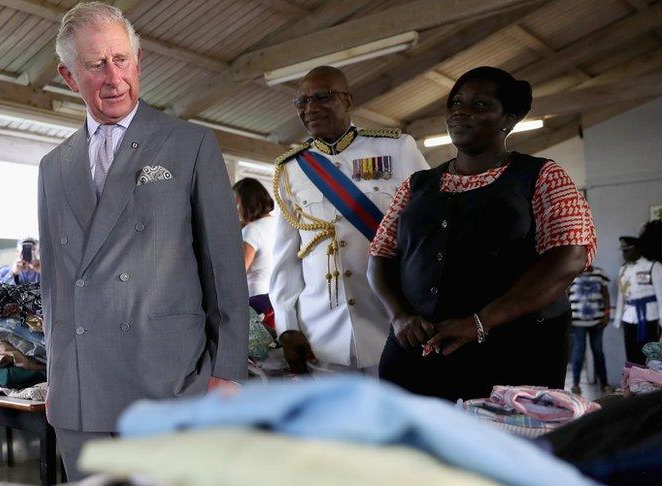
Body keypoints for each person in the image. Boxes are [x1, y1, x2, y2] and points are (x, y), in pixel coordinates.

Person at [38, 2, 248, 481]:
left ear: (139, 61)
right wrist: (57, 375)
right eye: (95, 66)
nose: (113, 78)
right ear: (69, 77)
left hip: (169, 381)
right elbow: (55, 282)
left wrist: (228, 370)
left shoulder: (190, 144)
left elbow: (223, 268)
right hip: (81, 390)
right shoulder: (53, 165)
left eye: (122, 60)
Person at [367, 66, 596, 402]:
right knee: (411, 446)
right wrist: (399, 316)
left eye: (479, 105)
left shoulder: (543, 176)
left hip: (516, 352)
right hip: (419, 349)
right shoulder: (417, 185)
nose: (461, 112)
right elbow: (380, 256)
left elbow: (569, 258)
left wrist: (481, 321)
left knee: (501, 445)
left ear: (510, 118)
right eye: (456, 103)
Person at [269, 66, 429, 376]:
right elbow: (286, 258)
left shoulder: (395, 148)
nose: (310, 108)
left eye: (323, 97)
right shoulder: (291, 169)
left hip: (392, 325)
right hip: (321, 334)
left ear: (348, 101)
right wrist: (287, 327)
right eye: (301, 102)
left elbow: (429, 229)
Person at [615, 235, 662, 364]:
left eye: (627, 250)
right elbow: (621, 295)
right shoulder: (624, 269)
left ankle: (648, 383)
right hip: (629, 316)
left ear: (636, 249)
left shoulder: (653, 266)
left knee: (650, 355)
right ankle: (633, 383)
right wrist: (618, 318)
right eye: (623, 251)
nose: (624, 254)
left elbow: (661, 296)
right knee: (631, 354)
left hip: (649, 316)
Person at [233, 177, 276, 315]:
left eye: (236, 201)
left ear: (247, 201)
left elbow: (238, 272)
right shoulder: (277, 224)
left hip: (255, 299)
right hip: (273, 296)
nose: (235, 207)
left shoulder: (252, 230)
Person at [567, 265, 611, 394]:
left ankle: (604, 384)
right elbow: (566, 294)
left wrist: (607, 314)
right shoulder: (572, 272)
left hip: (597, 321)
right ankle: (575, 384)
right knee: (578, 352)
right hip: (577, 322)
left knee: (598, 352)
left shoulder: (599, 272)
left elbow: (605, 294)